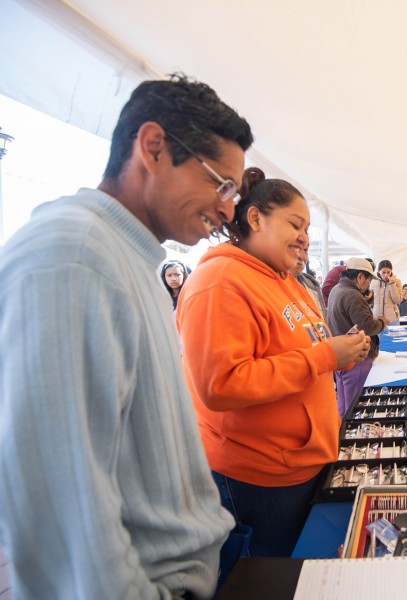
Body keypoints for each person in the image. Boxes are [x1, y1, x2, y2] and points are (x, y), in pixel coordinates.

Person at [0, 75, 253, 599]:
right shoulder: (72, 255)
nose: (228, 209)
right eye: (219, 183)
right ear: (153, 147)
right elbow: (61, 515)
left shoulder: (127, 256)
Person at [176, 169, 370, 558]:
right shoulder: (220, 281)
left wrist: (339, 355)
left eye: (307, 228)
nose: (304, 237)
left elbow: (302, 349)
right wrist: (324, 356)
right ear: (255, 218)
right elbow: (221, 384)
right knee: (265, 579)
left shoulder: (284, 280)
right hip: (258, 477)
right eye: (295, 224)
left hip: (300, 463)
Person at [327, 258, 389, 415]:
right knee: (355, 408)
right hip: (356, 357)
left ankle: (341, 435)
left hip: (341, 357)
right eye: (368, 279)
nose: (369, 284)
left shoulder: (336, 289)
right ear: (360, 277)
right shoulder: (353, 295)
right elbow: (368, 326)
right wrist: (381, 322)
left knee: (343, 405)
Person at [293, 246, 326, 319]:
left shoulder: (311, 284)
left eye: (305, 250)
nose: (302, 256)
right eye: (295, 249)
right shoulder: (269, 287)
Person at [370, 259, 403, 324]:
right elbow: (370, 301)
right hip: (376, 319)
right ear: (379, 271)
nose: (386, 275)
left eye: (388, 272)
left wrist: (392, 284)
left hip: (392, 319)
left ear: (391, 271)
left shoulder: (397, 281)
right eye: (383, 272)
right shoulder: (373, 281)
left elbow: (397, 300)